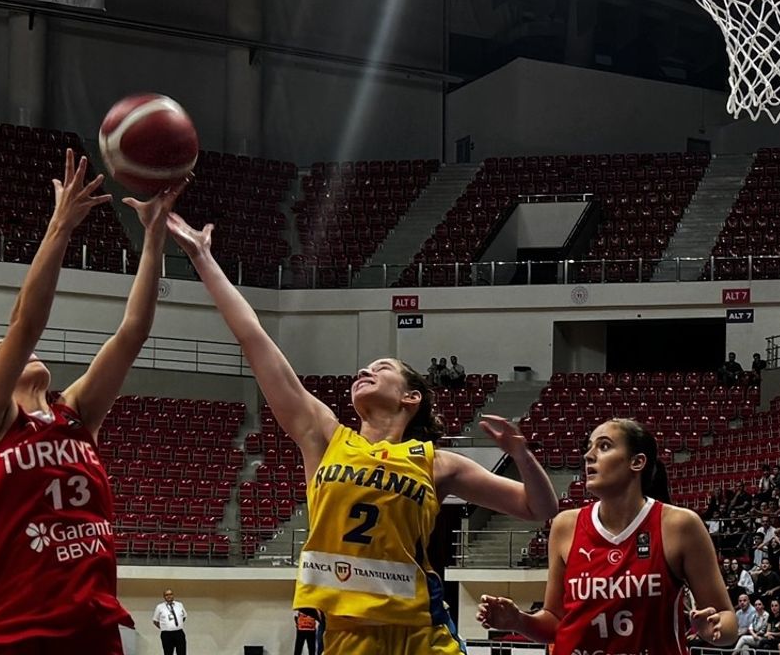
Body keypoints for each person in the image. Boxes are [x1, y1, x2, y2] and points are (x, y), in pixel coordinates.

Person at [166, 213, 560, 655]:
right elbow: (254, 338)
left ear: (411, 397)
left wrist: (522, 453)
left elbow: (539, 508)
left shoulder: (435, 461)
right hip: (346, 633)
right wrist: (202, 258)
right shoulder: (324, 436)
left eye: (381, 368)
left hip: (422, 632)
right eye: (364, 369)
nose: (363, 371)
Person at [0, 150, 184, 655]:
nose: (19, 353)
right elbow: (25, 324)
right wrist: (61, 226)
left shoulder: (75, 415)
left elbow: (133, 332)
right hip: (14, 636)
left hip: (95, 629)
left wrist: (154, 236)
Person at [476, 419, 738, 654]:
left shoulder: (680, 525)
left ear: (637, 462)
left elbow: (727, 621)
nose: (589, 455)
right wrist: (518, 621)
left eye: (603, 446)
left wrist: (713, 630)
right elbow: (556, 621)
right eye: (588, 447)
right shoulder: (565, 525)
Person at [153, 590, 187, 655]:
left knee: (182, 652)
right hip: (166, 634)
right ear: (164, 597)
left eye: (170, 594)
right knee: (168, 653)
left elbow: (184, 616)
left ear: (173, 595)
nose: (169, 596)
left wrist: (177, 625)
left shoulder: (179, 604)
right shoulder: (160, 607)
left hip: (179, 633)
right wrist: (165, 627)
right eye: (167, 595)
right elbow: (155, 621)